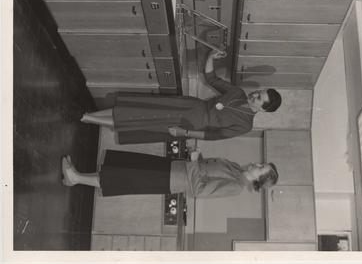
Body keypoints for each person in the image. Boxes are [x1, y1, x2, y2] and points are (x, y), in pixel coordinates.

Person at [80, 50, 282, 144]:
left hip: (187, 123)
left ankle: (88, 118)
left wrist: (184, 133)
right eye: (258, 92)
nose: (254, 94)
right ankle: (89, 116)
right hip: (186, 104)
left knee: (141, 122)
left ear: (263, 109)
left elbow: (213, 136)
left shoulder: (245, 125)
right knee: (139, 108)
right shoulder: (237, 93)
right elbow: (211, 78)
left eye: (258, 98)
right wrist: (211, 57)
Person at [61, 150, 279, 199]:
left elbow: (200, 191)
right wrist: (197, 158)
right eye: (261, 163)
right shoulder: (235, 167)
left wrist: (194, 163)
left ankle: (75, 178)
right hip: (174, 168)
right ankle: (78, 175)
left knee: (124, 178)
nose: (257, 164)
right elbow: (205, 168)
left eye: (261, 168)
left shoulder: (237, 186)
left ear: (259, 179)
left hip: (172, 179)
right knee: (125, 169)